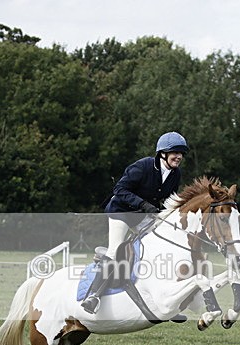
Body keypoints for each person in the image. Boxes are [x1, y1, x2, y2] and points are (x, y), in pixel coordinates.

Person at [81, 131, 189, 314]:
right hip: (120, 212)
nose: (178, 157)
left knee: (160, 245)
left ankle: (164, 298)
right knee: (116, 249)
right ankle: (93, 295)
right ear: (162, 153)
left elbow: (169, 200)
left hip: (142, 215)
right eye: (175, 152)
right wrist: (143, 204)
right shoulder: (143, 166)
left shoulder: (175, 174)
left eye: (181, 153)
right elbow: (119, 189)